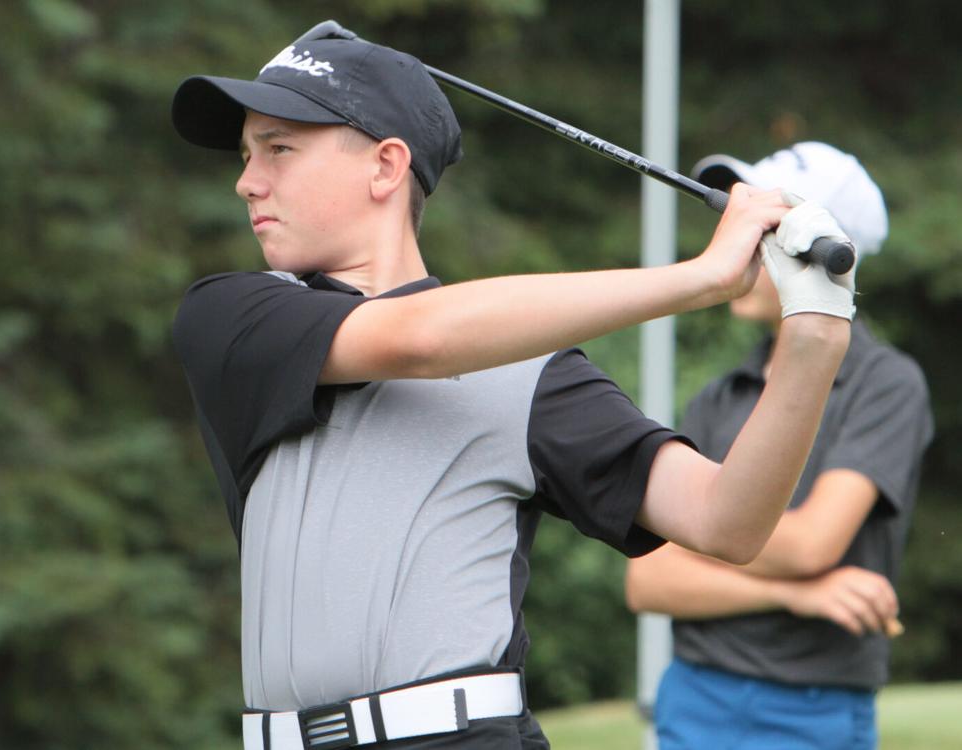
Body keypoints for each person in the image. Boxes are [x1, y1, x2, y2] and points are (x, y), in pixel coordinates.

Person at [171, 30, 856, 750]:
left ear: (385, 166)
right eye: (246, 155)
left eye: (278, 148)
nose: (248, 181)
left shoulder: (529, 368)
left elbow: (726, 522)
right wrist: (703, 277)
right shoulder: (232, 315)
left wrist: (815, 336)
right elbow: (417, 339)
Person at [625, 142, 934, 750]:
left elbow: (813, 543)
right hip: (692, 695)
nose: (740, 242)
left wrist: (705, 543)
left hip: (812, 710)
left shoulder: (886, 382)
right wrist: (797, 593)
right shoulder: (720, 394)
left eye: (769, 229)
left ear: (832, 249)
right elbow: (650, 581)